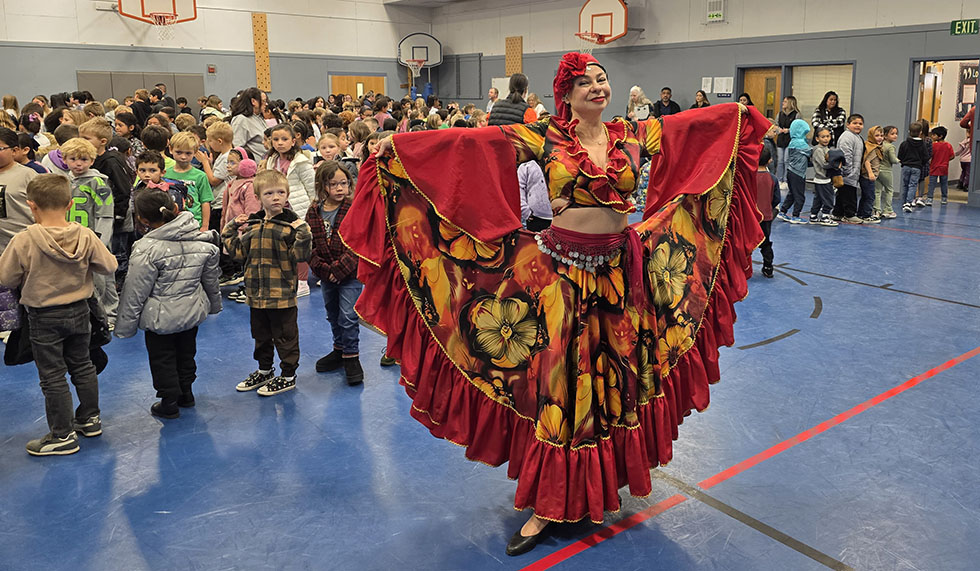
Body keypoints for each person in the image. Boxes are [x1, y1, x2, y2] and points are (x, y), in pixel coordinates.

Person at [345, 51, 768, 555]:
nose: (598, 86)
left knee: (612, 376)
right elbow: (469, 147)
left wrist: (736, 115)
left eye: (603, 79)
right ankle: (548, 503)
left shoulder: (633, 135)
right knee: (561, 383)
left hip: (621, 273)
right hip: (562, 276)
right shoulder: (542, 135)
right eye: (586, 81)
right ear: (565, 93)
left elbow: (691, 129)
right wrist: (402, 147)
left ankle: (597, 486)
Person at [0, 174, 117, 455]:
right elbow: (110, 265)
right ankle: (90, 419)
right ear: (68, 204)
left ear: (32, 206)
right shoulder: (86, 235)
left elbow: (6, 277)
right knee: (83, 365)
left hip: (43, 317)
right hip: (80, 312)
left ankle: (62, 435)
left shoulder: (24, 240)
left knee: (52, 375)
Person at [115, 190, 221, 419]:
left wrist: (125, 326)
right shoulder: (202, 241)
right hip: (192, 312)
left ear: (143, 220)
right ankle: (187, 393)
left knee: (162, 358)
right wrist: (214, 305)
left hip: (159, 318)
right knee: (186, 352)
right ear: (175, 209)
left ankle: (169, 401)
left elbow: (135, 290)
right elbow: (211, 280)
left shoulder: (146, 249)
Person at [222, 169, 311, 397]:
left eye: (281, 192)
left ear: (287, 194)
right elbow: (239, 253)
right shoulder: (253, 224)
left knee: (285, 336)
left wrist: (304, 233)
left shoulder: (292, 225)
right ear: (259, 197)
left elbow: (300, 255)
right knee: (260, 335)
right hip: (256, 294)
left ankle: (288, 375)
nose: (276, 197)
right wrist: (231, 227)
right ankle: (264, 370)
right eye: (269, 193)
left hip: (281, 295)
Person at [307, 161, 363, 386]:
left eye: (344, 183)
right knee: (332, 313)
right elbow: (309, 244)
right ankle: (339, 349)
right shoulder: (314, 211)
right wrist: (323, 269)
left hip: (349, 274)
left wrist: (339, 270)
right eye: (334, 184)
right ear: (323, 186)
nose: (340, 188)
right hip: (326, 273)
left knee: (348, 315)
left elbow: (359, 244)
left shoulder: (353, 209)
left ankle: (352, 356)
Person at [165, 132, 213, 230]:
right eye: (179, 152)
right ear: (170, 150)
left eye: (188, 153)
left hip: (194, 223)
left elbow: (205, 202)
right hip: (170, 222)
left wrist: (205, 225)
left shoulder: (200, 176)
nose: (183, 157)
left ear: (195, 152)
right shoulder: (165, 174)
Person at [776, 118, 810, 223]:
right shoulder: (801, 143)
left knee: (792, 194)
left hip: (791, 172)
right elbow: (810, 153)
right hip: (798, 173)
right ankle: (795, 216)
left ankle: (783, 211)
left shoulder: (793, 141)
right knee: (800, 196)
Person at [833, 114, 865, 223]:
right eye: (855, 123)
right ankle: (849, 214)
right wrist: (848, 171)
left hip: (853, 172)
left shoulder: (857, 137)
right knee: (849, 195)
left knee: (843, 194)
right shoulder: (847, 137)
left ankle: (837, 213)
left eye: (860, 124)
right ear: (848, 124)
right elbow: (845, 155)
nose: (858, 126)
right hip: (847, 173)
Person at [755, 146, 780, 277]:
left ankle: (742, 268)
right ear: (770, 160)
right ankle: (768, 267)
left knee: (744, 243)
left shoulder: (748, 177)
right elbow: (777, 199)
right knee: (765, 243)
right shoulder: (773, 179)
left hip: (750, 216)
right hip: (765, 217)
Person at [809, 128, 839, 226]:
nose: (826, 139)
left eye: (827, 136)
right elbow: (824, 164)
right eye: (823, 137)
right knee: (828, 198)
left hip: (825, 179)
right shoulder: (818, 150)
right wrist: (836, 164)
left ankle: (813, 216)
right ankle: (825, 216)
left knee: (818, 199)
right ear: (817, 139)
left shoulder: (827, 149)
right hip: (822, 179)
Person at [231, 87, 268, 162]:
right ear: (253, 101)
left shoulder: (259, 117)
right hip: (254, 166)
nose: (266, 104)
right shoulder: (241, 120)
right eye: (263, 101)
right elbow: (237, 148)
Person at [898, 122, 928, 213]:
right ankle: (909, 202)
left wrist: (903, 162)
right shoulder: (923, 144)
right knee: (913, 185)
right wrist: (920, 164)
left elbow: (900, 156)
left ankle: (903, 202)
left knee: (905, 184)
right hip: (917, 167)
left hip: (906, 166)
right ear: (920, 132)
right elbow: (926, 157)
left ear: (909, 132)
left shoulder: (904, 143)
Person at [858, 125, 884, 223]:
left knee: (865, 196)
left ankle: (861, 213)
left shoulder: (875, 147)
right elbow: (867, 161)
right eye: (877, 135)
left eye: (881, 135)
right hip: (867, 177)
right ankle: (866, 215)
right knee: (870, 196)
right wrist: (870, 173)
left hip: (868, 176)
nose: (880, 138)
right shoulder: (872, 148)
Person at [518, 160, 552, 232]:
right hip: (535, 217)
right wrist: (525, 211)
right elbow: (519, 189)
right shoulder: (527, 166)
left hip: (561, 217)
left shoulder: (562, 165)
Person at [774, 96, 799, 188]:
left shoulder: (796, 114)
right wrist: (778, 130)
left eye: (785, 101)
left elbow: (798, 128)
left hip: (791, 141)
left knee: (786, 160)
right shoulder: (780, 114)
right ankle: (779, 179)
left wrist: (789, 130)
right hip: (781, 140)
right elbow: (775, 126)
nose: (783, 103)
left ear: (790, 103)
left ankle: (786, 180)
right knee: (780, 161)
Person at [875, 126, 900, 218]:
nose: (895, 136)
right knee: (889, 190)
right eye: (892, 134)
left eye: (896, 133)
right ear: (885, 136)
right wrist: (899, 160)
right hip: (887, 171)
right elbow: (893, 160)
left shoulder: (880, 145)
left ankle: (876, 210)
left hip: (877, 170)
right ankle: (888, 210)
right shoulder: (891, 147)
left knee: (877, 191)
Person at [927, 126, 954, 205]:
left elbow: (930, 155)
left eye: (934, 135)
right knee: (944, 183)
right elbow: (952, 156)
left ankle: (930, 198)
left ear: (940, 136)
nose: (932, 136)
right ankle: (944, 198)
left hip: (934, 167)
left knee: (932, 184)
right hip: (944, 167)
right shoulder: (948, 145)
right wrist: (945, 160)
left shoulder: (933, 146)